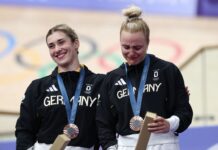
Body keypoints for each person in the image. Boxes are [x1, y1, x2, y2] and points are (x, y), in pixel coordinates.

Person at [96, 5, 193, 150]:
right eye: (126, 47)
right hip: (125, 146)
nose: (131, 53)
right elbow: (103, 123)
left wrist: (169, 123)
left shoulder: (167, 71)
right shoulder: (111, 79)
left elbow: (184, 112)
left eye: (137, 47)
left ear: (148, 42)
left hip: (164, 144)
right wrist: (111, 147)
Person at [15, 24, 104, 150]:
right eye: (51, 46)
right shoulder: (37, 87)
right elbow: (24, 131)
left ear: (76, 43)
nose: (57, 49)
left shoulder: (100, 83)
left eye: (61, 42)